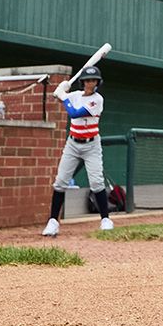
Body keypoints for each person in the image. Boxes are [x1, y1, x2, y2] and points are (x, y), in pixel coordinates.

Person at [41, 64, 114, 235]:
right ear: (83, 82)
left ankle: (105, 219)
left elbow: (74, 113)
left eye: (94, 80)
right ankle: (53, 222)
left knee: (96, 181)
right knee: (60, 181)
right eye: (88, 80)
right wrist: (61, 90)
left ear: (98, 82)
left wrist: (63, 96)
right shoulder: (75, 96)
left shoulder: (97, 100)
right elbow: (58, 97)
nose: (91, 83)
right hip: (73, 144)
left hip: (91, 145)